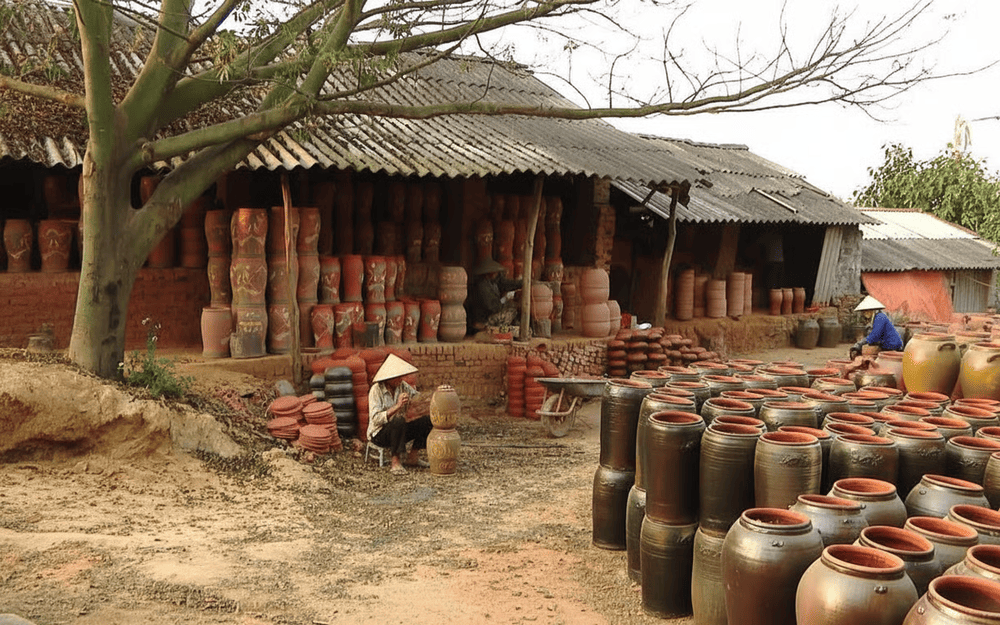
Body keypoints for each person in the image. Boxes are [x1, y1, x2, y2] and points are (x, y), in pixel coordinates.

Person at [367, 354, 433, 475]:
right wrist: (397, 406)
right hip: (380, 434)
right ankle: (395, 462)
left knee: (426, 421)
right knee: (398, 420)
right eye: (396, 377)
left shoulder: (402, 386)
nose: (400, 380)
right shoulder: (376, 390)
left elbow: (418, 397)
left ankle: (412, 457)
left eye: (400, 376)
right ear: (388, 378)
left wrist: (431, 398)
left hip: (399, 430)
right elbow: (376, 419)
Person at [469, 258, 522, 333]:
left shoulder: (492, 282)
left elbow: (506, 284)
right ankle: (499, 331)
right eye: (496, 273)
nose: (497, 274)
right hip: (484, 319)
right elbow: (492, 307)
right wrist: (505, 300)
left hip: (490, 314)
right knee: (511, 312)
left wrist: (524, 282)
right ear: (490, 273)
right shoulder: (482, 286)